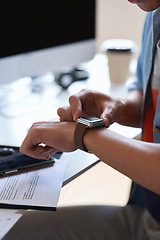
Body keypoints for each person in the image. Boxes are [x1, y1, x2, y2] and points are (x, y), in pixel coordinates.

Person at [4, 0, 160, 239]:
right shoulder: (154, 15)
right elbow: (146, 97)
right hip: (148, 212)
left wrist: (83, 135)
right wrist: (118, 106)